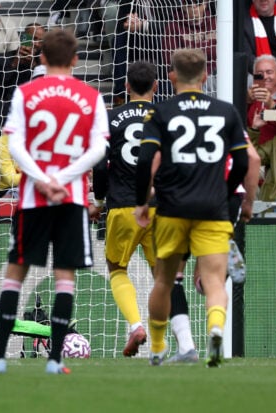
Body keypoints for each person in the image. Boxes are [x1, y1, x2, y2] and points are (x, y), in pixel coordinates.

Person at [0, 29, 108, 375]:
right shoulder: (91, 96)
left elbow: (15, 145)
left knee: (14, 275)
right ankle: (55, 361)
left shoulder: (26, 93)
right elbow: (99, 149)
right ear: (76, 59)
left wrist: (42, 179)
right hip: (71, 198)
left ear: (42, 58)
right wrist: (63, 179)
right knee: (64, 277)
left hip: (33, 198)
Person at [134, 48, 250, 367]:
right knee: (214, 281)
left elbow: (145, 160)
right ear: (205, 76)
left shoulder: (161, 112)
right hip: (213, 209)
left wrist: (142, 202)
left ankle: (158, 347)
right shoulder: (226, 111)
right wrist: (226, 192)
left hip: (171, 208)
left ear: (171, 76)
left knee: (165, 281)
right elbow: (243, 161)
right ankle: (215, 329)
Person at [91, 61, 197, 359]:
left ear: (126, 86)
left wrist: (99, 201)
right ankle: (183, 343)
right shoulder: (168, 117)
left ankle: (136, 325)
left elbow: (100, 166)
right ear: (156, 86)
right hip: (161, 208)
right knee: (166, 278)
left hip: (123, 205)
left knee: (117, 269)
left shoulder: (110, 117)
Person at [246, 55, 276, 144]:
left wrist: (272, 105)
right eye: (260, 73)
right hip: (252, 149)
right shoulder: (247, 100)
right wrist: (246, 102)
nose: (265, 76)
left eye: (269, 72)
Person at [244, 0, 276, 70]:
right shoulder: (244, 24)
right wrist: (271, 73)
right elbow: (248, 59)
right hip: (261, 73)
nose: (263, 0)